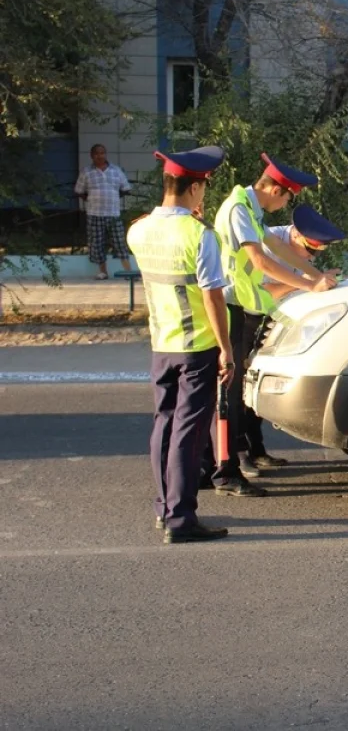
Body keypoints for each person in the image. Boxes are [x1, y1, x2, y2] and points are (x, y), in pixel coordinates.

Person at [210, 153, 338, 494]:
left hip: (243, 306)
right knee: (230, 393)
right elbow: (260, 260)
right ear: (276, 189)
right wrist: (310, 284)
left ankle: (233, 464)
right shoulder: (239, 208)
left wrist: (316, 274)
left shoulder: (250, 208)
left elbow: (278, 246)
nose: (284, 206)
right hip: (232, 307)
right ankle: (228, 471)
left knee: (237, 391)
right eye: (287, 198)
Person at [126, 145, 234, 543]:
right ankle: (181, 519)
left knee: (164, 425)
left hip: (161, 344)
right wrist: (227, 348)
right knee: (188, 433)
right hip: (197, 348)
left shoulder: (138, 229)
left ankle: (164, 506)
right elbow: (212, 296)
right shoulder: (200, 235)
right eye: (204, 186)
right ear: (196, 187)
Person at [75, 143, 134, 280]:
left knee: (119, 242)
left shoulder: (116, 170)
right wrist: (90, 199)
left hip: (113, 213)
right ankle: (103, 272)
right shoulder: (86, 172)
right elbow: (79, 191)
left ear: (106, 154)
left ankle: (128, 272)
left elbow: (125, 189)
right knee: (97, 244)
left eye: (102, 153)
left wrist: (112, 197)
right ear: (91, 156)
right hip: (94, 213)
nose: (100, 156)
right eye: (96, 153)